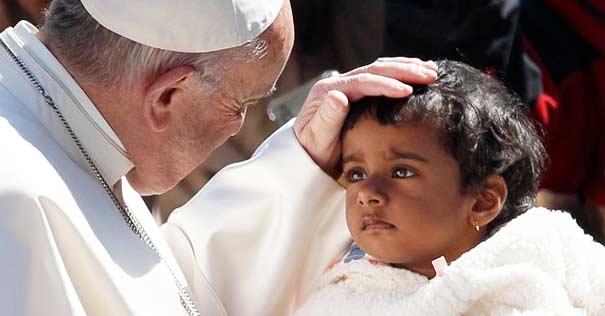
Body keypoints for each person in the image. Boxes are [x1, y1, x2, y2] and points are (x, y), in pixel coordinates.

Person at [0, 0, 439, 315]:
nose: (236, 128)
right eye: (240, 104)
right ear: (168, 96)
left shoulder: (63, 127)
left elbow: (168, 295)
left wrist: (303, 163)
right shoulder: (16, 204)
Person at [292, 60, 605, 315]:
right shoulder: (345, 292)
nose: (366, 194)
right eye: (356, 174)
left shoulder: (547, 247)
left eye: (401, 171)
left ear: (483, 201)